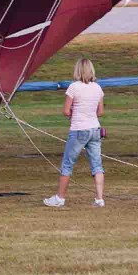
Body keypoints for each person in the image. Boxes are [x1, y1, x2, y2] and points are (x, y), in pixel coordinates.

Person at [44, 57, 105, 208]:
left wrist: (74, 114)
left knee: (67, 164)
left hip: (79, 129)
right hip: (95, 129)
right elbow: (101, 112)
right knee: (97, 164)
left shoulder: (73, 87)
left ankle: (60, 197)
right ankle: (99, 199)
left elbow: (66, 110)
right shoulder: (97, 87)